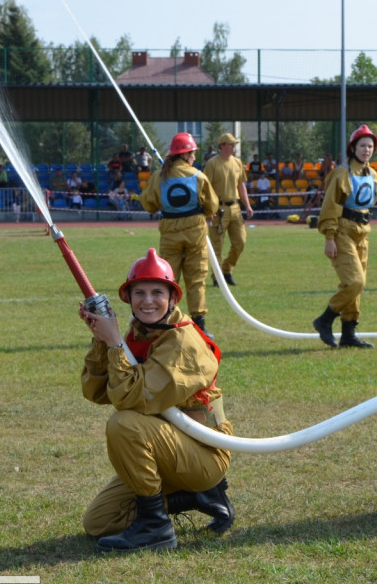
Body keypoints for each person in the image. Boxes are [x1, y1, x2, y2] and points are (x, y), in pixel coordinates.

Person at [80, 249, 235, 552]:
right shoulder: (142, 332)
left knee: (124, 424)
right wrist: (102, 341)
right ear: (129, 298)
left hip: (204, 452)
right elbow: (96, 392)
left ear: (172, 299)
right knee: (99, 522)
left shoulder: (182, 342)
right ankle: (196, 496)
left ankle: (156, 527)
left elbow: (128, 399)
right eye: (139, 292)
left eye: (156, 292)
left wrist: (113, 343)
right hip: (169, 448)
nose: (147, 300)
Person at [140, 132, 219, 336]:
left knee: (167, 279)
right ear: (185, 155)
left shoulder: (159, 176)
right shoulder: (198, 176)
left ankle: (164, 320)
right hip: (195, 233)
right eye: (192, 153)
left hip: (169, 233)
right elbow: (211, 205)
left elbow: (148, 204)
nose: (194, 158)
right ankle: (199, 325)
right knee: (197, 278)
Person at [312, 125, 377, 349]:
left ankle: (349, 333)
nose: (366, 150)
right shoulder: (342, 173)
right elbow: (331, 205)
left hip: (363, 232)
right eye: (362, 146)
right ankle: (325, 319)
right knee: (355, 281)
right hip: (342, 231)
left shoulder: (373, 174)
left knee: (357, 286)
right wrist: (329, 237)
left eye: (370, 146)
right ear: (353, 148)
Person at [204, 133, 254, 287]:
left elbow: (241, 185)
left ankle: (227, 269)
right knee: (217, 244)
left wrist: (247, 205)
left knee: (240, 241)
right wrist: (209, 208)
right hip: (218, 208)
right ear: (223, 145)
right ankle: (217, 277)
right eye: (231, 144)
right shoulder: (212, 163)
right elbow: (206, 188)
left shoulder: (237, 163)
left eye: (234, 144)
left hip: (235, 207)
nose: (234, 147)